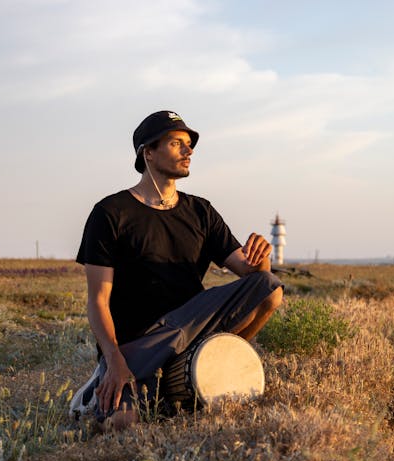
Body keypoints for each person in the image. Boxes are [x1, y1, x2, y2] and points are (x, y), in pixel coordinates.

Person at [70, 110, 283, 431]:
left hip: (192, 323)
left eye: (189, 144)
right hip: (139, 343)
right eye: (176, 143)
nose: (189, 151)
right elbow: (98, 301)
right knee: (120, 423)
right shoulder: (110, 213)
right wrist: (114, 360)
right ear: (149, 152)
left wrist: (261, 256)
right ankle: (100, 383)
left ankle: (209, 360)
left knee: (270, 287)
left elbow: (254, 277)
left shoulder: (201, 211)